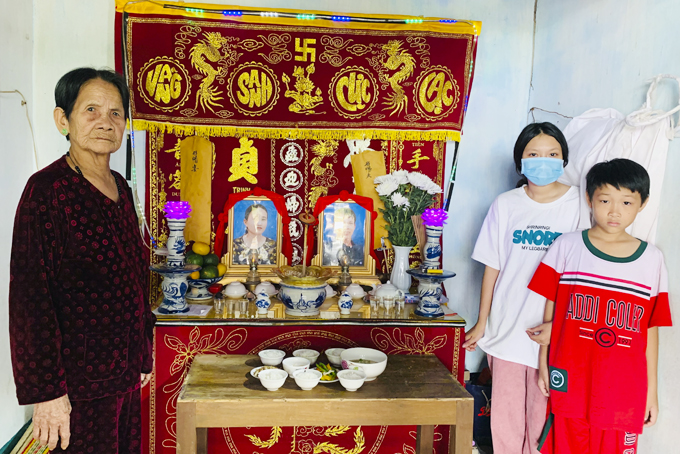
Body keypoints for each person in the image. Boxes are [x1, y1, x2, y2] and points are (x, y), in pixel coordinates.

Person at [9, 68, 155, 453]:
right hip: (77, 386)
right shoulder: (46, 191)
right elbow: (29, 298)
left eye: (115, 113)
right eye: (91, 110)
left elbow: (137, 276)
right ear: (64, 120)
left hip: (122, 375)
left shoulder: (120, 188)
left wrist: (142, 353)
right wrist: (48, 394)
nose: (105, 123)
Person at [528, 159, 672, 454]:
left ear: (642, 204)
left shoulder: (652, 260)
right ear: (589, 199)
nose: (614, 211)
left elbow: (651, 330)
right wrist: (544, 365)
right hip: (571, 379)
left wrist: (651, 391)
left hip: (623, 389)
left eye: (627, 202)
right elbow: (549, 314)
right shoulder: (567, 247)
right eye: (605, 200)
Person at [462, 122, 580, 454]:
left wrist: (560, 324)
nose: (544, 160)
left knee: (543, 421)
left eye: (552, 154)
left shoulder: (580, 204)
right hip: (509, 328)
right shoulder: (506, 204)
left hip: (554, 331)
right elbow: (492, 266)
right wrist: (483, 322)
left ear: (564, 159)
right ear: (521, 161)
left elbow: (582, 274)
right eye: (534, 154)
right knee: (506, 422)